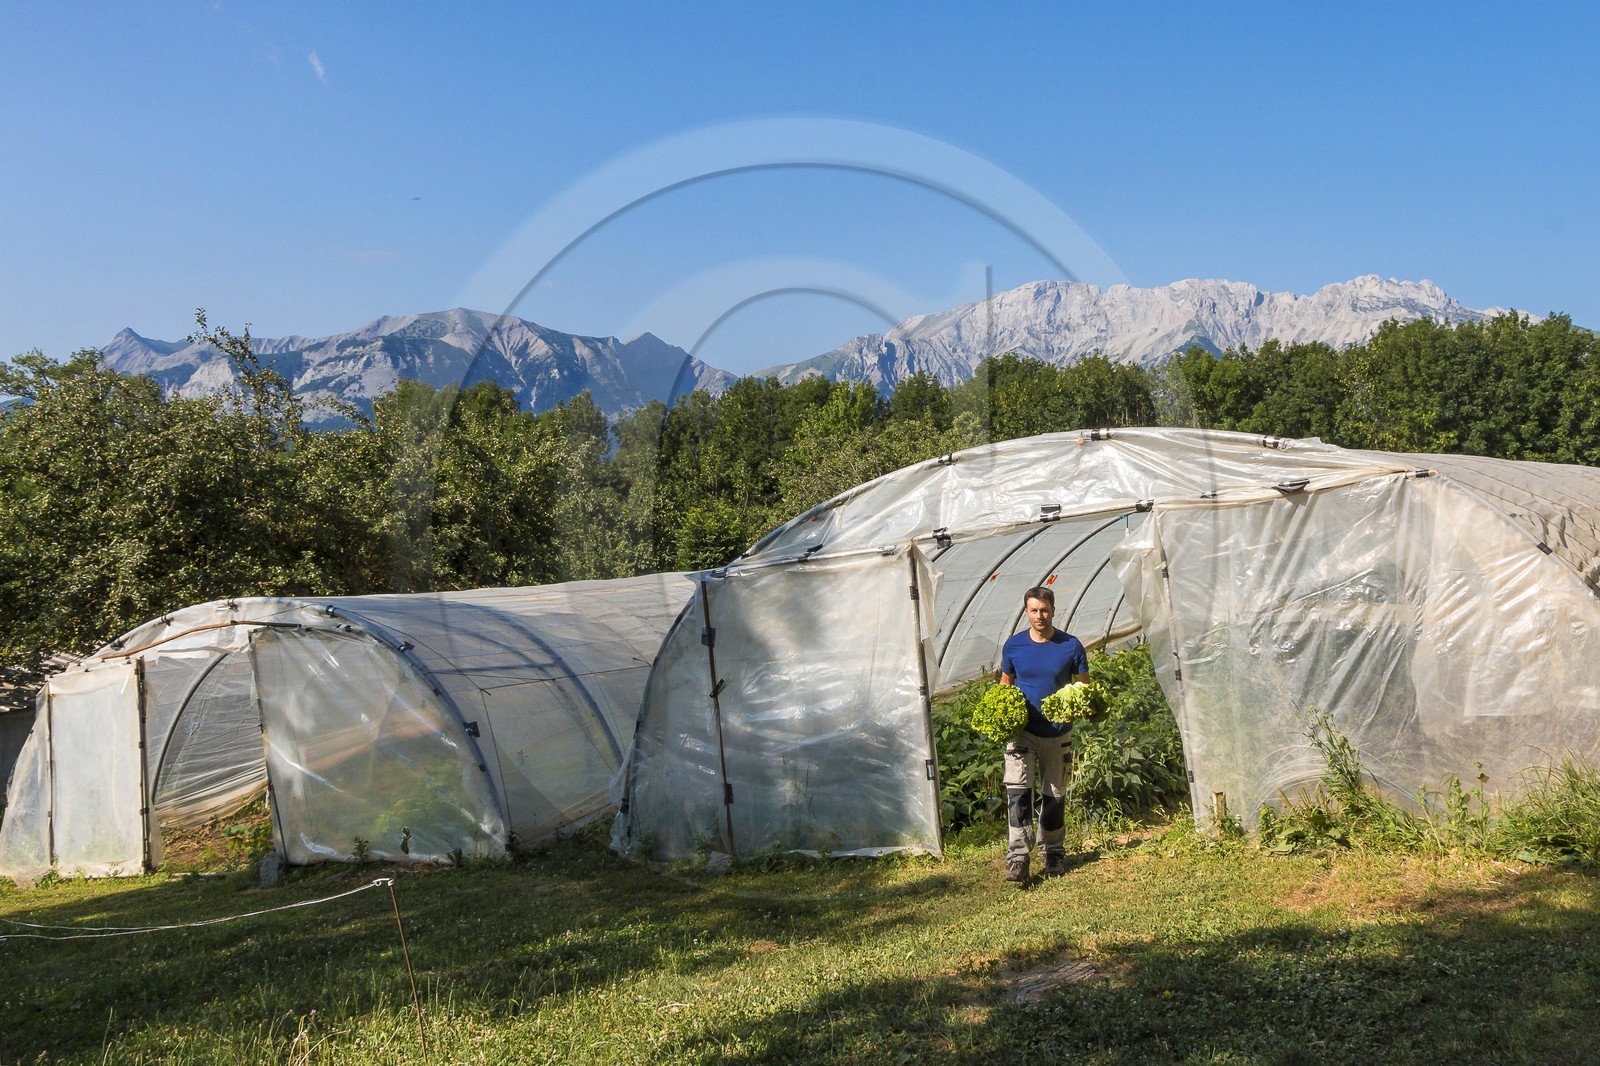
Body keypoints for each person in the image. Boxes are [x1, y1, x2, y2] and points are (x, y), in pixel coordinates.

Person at [997, 584, 1089, 883]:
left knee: (1054, 795)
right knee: (1018, 793)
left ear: (1053, 610)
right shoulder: (1014, 646)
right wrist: (1004, 716)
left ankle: (1053, 853)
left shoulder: (1070, 645)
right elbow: (1005, 686)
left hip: (1056, 733)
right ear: (1027, 613)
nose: (1040, 616)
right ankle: (1018, 858)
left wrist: (1077, 706)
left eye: (1045, 610)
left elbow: (1085, 687)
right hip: (1022, 733)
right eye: (1034, 610)